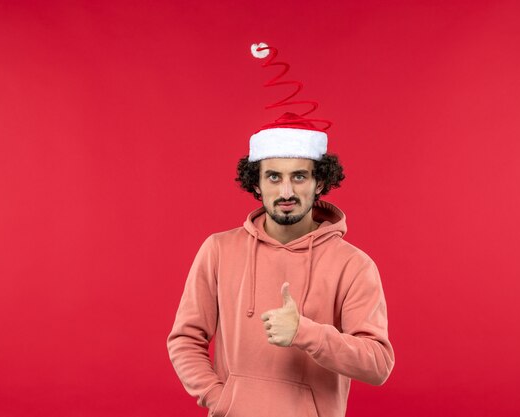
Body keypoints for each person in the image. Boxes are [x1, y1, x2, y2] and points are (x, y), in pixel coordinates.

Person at [167, 43, 395, 417]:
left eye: (299, 177)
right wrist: (220, 399)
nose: (286, 191)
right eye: (274, 176)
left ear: (319, 183)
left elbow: (378, 364)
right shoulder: (218, 250)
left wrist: (307, 333)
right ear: (256, 183)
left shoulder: (354, 265)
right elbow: (184, 339)